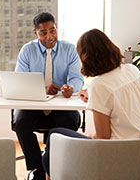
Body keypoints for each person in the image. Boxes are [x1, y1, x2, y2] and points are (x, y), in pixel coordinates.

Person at [41, 28, 140, 179]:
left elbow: (102, 137)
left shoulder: (100, 85)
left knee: (54, 135)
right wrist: (94, 97)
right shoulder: (132, 70)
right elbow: (120, 102)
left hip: (114, 154)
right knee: (54, 146)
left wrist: (83, 136)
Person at [13, 12, 84, 180]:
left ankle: (53, 167)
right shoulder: (27, 50)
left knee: (71, 121)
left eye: (52, 30)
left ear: (56, 28)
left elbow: (77, 78)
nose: (49, 36)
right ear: (36, 33)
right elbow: (20, 81)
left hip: (61, 105)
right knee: (20, 122)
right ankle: (37, 169)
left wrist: (71, 88)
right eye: (43, 33)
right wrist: (42, 89)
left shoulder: (69, 49)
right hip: (35, 104)